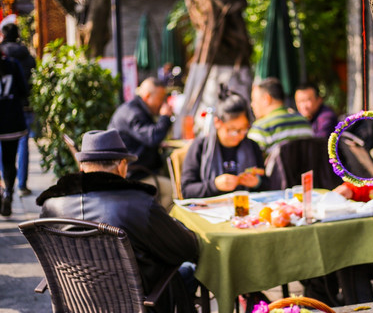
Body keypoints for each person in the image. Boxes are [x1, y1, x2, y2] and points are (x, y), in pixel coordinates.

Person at [36, 129, 199, 312]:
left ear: (81, 167)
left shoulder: (51, 206)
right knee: (189, 270)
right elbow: (186, 248)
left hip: (76, 304)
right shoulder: (139, 204)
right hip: (140, 304)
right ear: (122, 165)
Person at [181, 86, 268, 198]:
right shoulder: (200, 147)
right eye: (232, 130)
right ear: (217, 123)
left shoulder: (252, 146)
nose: (238, 135)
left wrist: (257, 183)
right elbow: (186, 190)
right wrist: (214, 185)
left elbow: (268, 184)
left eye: (243, 129)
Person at [108, 77, 174, 209]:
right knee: (173, 190)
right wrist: (165, 117)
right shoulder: (134, 113)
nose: (163, 103)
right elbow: (153, 137)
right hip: (133, 175)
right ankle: (156, 224)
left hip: (138, 169)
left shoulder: (134, 108)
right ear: (148, 96)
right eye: (161, 98)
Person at [0, 23, 36, 196]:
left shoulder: (6, 56)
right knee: (19, 148)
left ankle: (3, 190)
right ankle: (16, 186)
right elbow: (26, 88)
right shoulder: (24, 57)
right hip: (17, 112)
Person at [248, 77, 313, 158]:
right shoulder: (304, 123)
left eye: (253, 100)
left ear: (266, 99)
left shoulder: (260, 128)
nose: (252, 105)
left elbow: (251, 162)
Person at [0, 55, 28, 216]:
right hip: (12, 121)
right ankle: (8, 193)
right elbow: (24, 91)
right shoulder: (12, 64)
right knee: (9, 161)